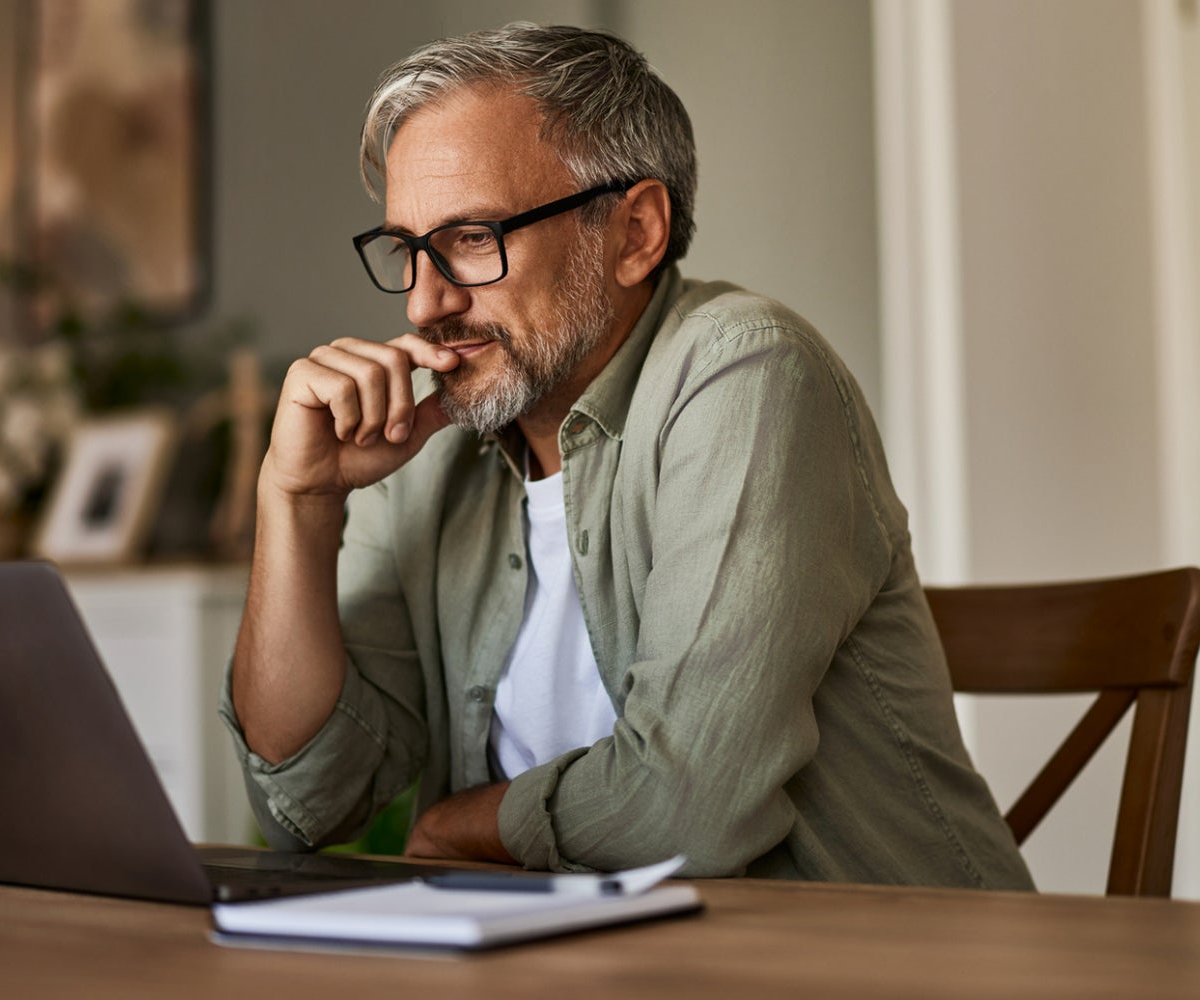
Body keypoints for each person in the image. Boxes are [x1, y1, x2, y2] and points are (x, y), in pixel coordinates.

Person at [222, 22, 1033, 889]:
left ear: (635, 231)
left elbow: (687, 809)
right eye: (407, 250)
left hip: (874, 959)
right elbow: (306, 802)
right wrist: (296, 499)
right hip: (579, 957)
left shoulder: (747, 372)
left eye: (471, 239)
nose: (425, 303)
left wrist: (465, 825)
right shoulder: (427, 442)